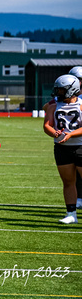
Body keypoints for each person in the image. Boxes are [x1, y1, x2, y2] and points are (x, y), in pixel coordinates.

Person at [43, 74, 82, 224]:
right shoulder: (53, 105)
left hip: (80, 146)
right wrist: (55, 133)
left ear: (72, 90)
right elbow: (47, 125)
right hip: (61, 148)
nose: (58, 92)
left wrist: (71, 134)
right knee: (68, 182)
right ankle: (71, 214)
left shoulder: (80, 105)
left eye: (61, 90)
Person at [68, 66, 82, 210]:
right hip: (75, 137)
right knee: (75, 171)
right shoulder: (68, 94)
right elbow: (48, 106)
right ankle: (78, 198)